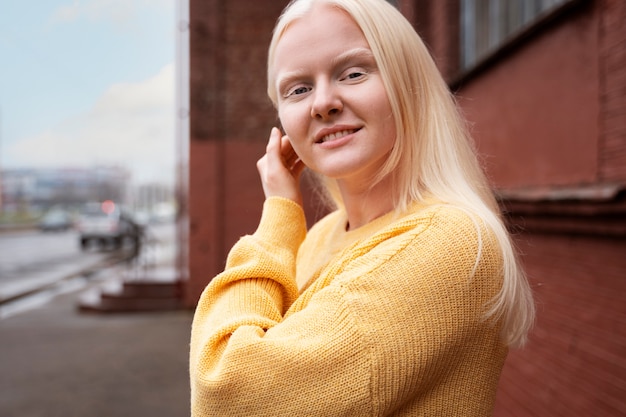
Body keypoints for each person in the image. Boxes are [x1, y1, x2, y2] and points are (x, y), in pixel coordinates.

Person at [189, 0, 535, 415]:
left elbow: (225, 393)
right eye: (298, 89)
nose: (323, 103)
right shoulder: (319, 236)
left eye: (353, 73)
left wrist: (277, 215)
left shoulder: (446, 242)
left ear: (410, 86)